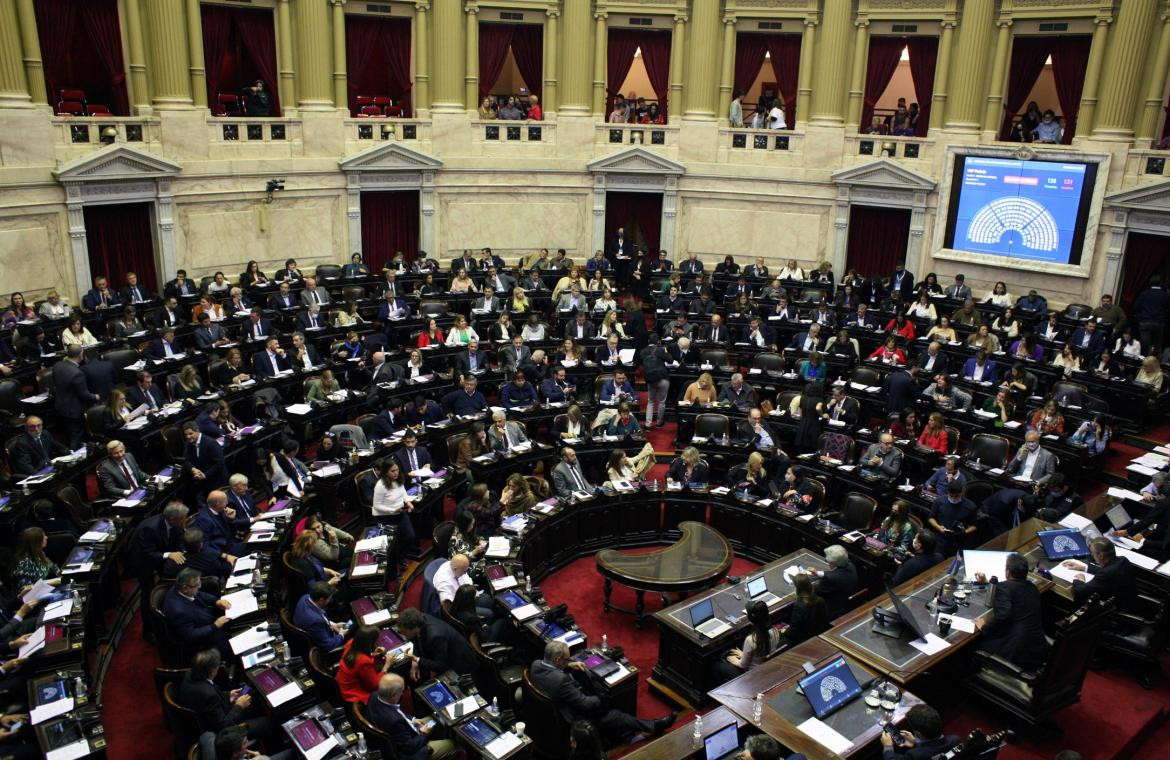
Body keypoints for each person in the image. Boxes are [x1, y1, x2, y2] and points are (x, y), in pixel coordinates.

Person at [530, 641, 676, 748]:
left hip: (551, 711)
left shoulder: (536, 665)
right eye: (567, 658)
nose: (570, 660)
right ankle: (653, 726)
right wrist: (602, 697)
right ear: (557, 660)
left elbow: (554, 669)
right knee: (615, 714)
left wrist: (567, 664)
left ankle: (628, 731)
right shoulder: (561, 680)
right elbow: (585, 704)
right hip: (571, 717)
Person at [976, 553, 1048, 669]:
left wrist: (984, 627)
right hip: (1036, 648)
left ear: (1008, 572)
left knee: (974, 645)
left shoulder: (1004, 588)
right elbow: (1014, 593)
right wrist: (987, 583)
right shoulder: (1032, 587)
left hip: (1014, 651)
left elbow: (1004, 614)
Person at [366, 673, 459, 760]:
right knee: (453, 745)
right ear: (393, 695)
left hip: (406, 730)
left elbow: (397, 712)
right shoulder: (394, 721)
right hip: (410, 751)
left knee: (435, 720)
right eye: (401, 691)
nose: (402, 693)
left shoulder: (374, 696)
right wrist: (424, 733)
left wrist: (413, 719)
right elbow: (409, 747)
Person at [179, 649, 270, 736]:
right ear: (211, 671)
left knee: (253, 697)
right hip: (223, 730)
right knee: (268, 721)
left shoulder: (191, 673)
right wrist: (239, 706)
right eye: (217, 666)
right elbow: (223, 725)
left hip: (214, 712)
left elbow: (214, 695)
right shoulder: (208, 694)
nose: (218, 668)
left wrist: (228, 695)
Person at [162, 568, 231, 655]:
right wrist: (215, 626)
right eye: (197, 585)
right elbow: (190, 635)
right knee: (233, 646)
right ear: (185, 588)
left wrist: (216, 601)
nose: (199, 587)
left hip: (205, 618)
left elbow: (199, 594)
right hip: (202, 642)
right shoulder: (179, 611)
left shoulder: (181, 588)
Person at [396, 607, 477, 677]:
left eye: (404, 632)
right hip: (441, 654)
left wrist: (416, 659)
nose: (403, 635)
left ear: (414, 628)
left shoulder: (435, 636)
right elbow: (415, 639)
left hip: (460, 664)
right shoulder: (418, 618)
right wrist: (415, 662)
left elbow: (440, 665)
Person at [713, 600, 782, 682]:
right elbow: (761, 656)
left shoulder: (751, 639)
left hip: (753, 675)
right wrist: (743, 654)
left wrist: (733, 659)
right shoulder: (775, 631)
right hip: (766, 667)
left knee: (716, 665)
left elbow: (743, 665)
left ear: (751, 617)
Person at [1062, 538, 1135, 610]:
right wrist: (1084, 568)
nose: (1092, 555)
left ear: (1101, 556)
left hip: (1115, 607)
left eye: (1092, 553)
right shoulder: (1122, 560)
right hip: (1129, 599)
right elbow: (1109, 571)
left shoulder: (1105, 574)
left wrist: (1080, 580)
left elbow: (1081, 591)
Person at [880, 704, 959, 760]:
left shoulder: (914, 755)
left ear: (918, 733)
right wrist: (915, 743)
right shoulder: (955, 740)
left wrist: (888, 747)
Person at [806, 545, 857, 617]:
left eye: (828, 561)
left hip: (828, 609)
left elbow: (815, 592)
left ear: (834, 563)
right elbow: (834, 574)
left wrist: (802, 579)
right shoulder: (850, 565)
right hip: (844, 601)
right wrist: (817, 573)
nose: (827, 562)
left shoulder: (830, 579)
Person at [293, 582, 347, 651]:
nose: (330, 600)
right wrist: (341, 635)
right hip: (322, 649)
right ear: (321, 600)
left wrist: (332, 625)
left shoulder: (305, 597)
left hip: (316, 632)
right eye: (329, 598)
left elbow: (320, 616)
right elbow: (328, 645)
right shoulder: (315, 621)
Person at [928, 482, 977, 556]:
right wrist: (938, 527)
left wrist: (964, 532)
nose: (954, 498)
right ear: (948, 492)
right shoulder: (939, 501)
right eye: (951, 495)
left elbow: (974, 526)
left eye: (957, 496)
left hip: (959, 541)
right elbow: (931, 518)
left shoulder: (970, 507)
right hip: (941, 539)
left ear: (962, 492)